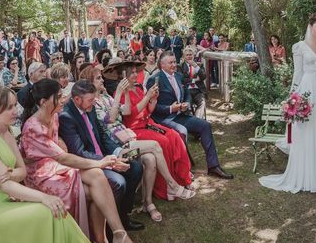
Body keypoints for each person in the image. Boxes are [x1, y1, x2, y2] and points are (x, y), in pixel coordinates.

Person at [0, 85, 95, 243]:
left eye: (15, 105)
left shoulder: (6, 132)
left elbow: (22, 172)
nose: (16, 110)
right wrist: (44, 197)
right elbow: (6, 186)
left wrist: (11, 173)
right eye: (9, 107)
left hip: (14, 195)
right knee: (50, 210)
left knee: (55, 210)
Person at [86, 64, 194, 222]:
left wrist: (127, 93)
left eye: (101, 77)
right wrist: (119, 94)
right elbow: (110, 118)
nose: (102, 80)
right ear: (89, 83)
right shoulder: (94, 103)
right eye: (98, 78)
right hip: (120, 151)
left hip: (129, 144)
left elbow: (127, 111)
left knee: (150, 158)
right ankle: (172, 185)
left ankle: (147, 203)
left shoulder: (106, 97)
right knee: (156, 146)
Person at [261, 13, 316, 194]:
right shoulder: (299, 47)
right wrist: (293, 97)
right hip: (307, 92)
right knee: (308, 132)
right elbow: (298, 73)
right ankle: (309, 175)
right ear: (311, 27)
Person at [59, 80, 145, 233]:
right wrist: (108, 162)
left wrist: (116, 152)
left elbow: (102, 135)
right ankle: (109, 229)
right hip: (89, 164)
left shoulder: (89, 107)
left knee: (136, 167)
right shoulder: (67, 117)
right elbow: (79, 152)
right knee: (119, 182)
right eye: (90, 100)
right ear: (77, 99)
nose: (94, 102)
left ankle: (123, 216)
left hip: (104, 155)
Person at [150, 52, 233, 180]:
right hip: (164, 119)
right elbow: (152, 107)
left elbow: (187, 93)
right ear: (162, 65)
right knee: (182, 132)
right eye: (170, 62)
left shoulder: (178, 76)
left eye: (174, 62)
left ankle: (213, 166)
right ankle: (185, 169)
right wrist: (171, 108)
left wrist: (187, 103)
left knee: (205, 125)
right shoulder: (154, 79)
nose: (174, 65)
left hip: (181, 115)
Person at [180, 46, 207, 119]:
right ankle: (191, 120)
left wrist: (196, 66)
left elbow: (203, 77)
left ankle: (197, 119)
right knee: (187, 105)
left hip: (198, 90)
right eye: (187, 55)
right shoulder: (180, 67)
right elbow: (182, 79)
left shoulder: (199, 65)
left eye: (190, 54)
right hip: (187, 90)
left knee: (202, 103)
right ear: (184, 56)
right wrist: (194, 80)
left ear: (193, 55)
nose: (189, 56)